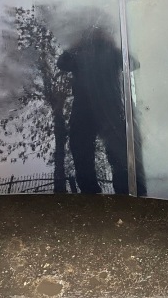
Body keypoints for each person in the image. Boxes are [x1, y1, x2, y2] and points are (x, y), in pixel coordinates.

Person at [57, 27, 139, 195]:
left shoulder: (111, 51)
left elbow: (133, 64)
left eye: (100, 31)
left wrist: (113, 45)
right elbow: (62, 63)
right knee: (81, 150)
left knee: (116, 151)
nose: (96, 35)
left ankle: (122, 191)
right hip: (86, 108)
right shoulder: (81, 52)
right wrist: (76, 45)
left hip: (109, 107)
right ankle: (90, 192)